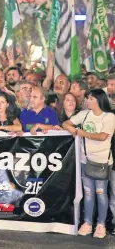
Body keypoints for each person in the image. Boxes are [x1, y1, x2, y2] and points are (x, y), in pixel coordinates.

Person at [63, 89, 115, 238]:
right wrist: (71, 128)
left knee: (101, 193)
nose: (88, 101)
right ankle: (87, 223)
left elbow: (103, 136)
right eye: (88, 98)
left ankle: (101, 224)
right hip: (85, 159)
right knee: (88, 193)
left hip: (102, 161)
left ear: (98, 100)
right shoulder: (85, 114)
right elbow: (66, 123)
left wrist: (81, 133)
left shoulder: (109, 117)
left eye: (91, 98)